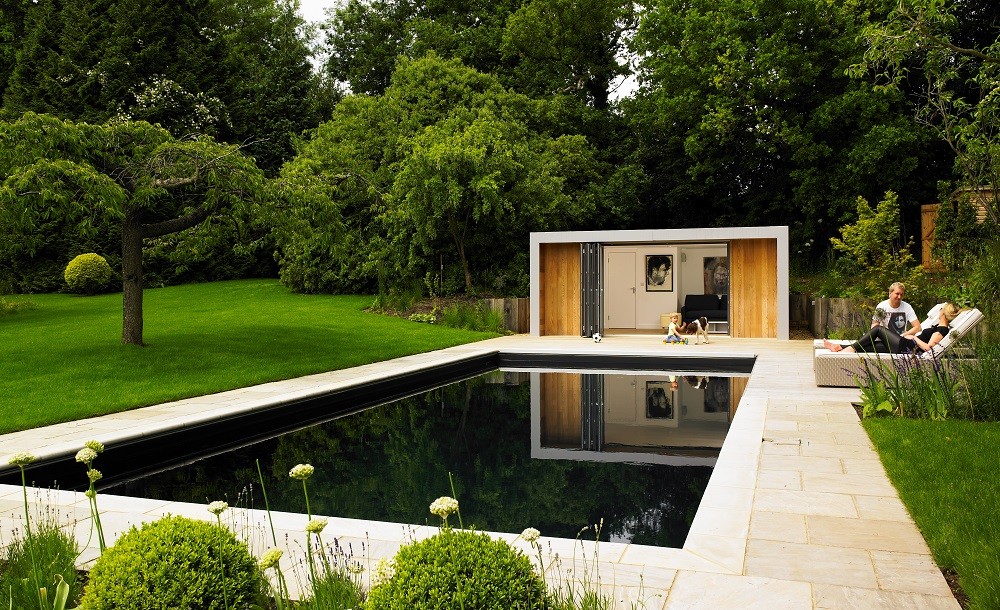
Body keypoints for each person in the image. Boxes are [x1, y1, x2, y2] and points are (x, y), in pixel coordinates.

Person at [823, 282, 921, 354]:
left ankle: (847, 348)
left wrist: (905, 334)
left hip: (899, 340)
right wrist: (876, 336)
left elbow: (917, 327)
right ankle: (839, 347)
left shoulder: (906, 307)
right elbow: (874, 324)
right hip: (885, 340)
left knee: (878, 330)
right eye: (897, 293)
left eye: (901, 294)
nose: (899, 297)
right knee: (869, 346)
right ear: (890, 293)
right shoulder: (882, 306)